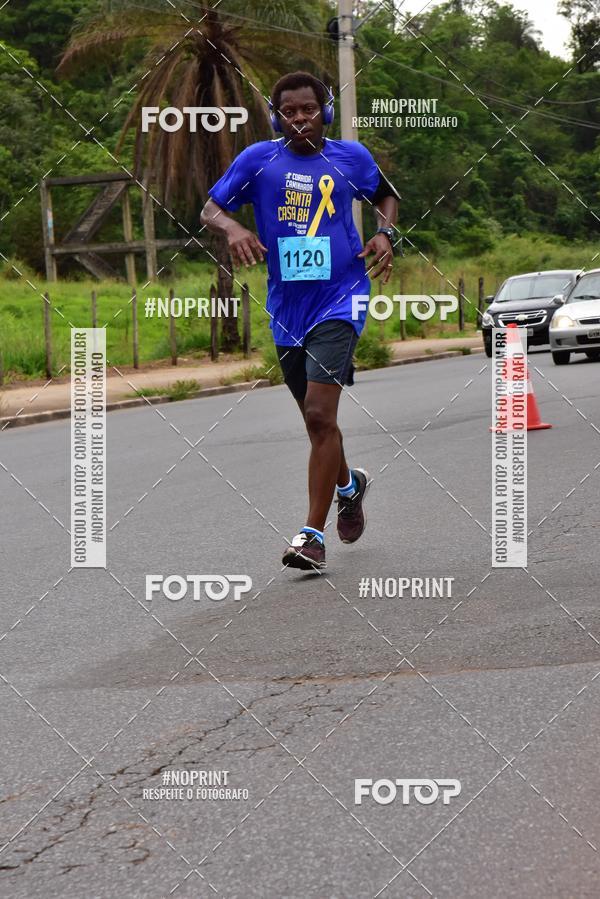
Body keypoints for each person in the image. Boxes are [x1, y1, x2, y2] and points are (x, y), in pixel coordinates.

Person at [200, 71, 399, 571]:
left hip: (342, 296)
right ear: (276, 116)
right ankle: (349, 487)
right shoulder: (258, 160)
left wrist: (383, 233)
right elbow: (210, 208)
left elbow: (385, 195)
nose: (299, 119)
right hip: (287, 308)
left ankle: (311, 537)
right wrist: (234, 227)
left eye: (308, 109)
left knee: (317, 413)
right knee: (319, 421)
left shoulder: (351, 156)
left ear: (324, 111)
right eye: (289, 111)